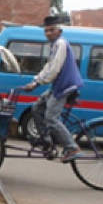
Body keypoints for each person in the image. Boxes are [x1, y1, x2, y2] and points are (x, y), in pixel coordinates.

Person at [23, 16, 84, 162]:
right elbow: (48, 67)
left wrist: (38, 83)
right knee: (37, 108)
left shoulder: (61, 44)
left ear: (59, 31)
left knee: (51, 117)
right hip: (58, 86)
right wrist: (35, 80)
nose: (49, 33)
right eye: (46, 31)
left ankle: (72, 147)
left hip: (64, 86)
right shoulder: (55, 45)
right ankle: (47, 140)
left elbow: (55, 69)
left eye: (52, 30)